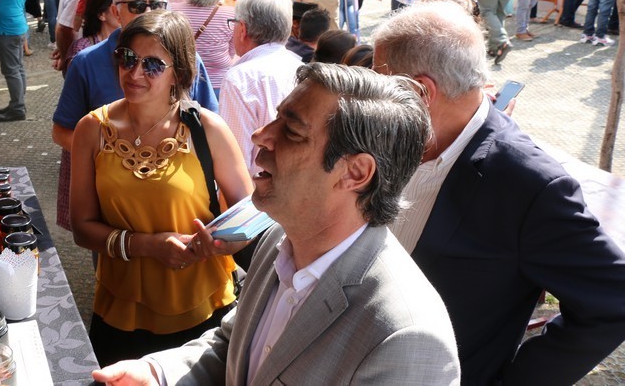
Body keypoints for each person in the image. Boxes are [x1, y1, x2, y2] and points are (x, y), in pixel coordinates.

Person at [93, 64, 460, 386]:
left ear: (355, 173)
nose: (261, 135)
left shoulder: (407, 337)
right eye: (276, 118)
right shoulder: (276, 241)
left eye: (293, 131)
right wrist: (157, 373)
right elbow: (233, 345)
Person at [373, 2, 625, 384]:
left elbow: (613, 300)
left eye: (379, 83)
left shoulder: (529, 183)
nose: (371, 100)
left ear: (421, 91)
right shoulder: (398, 139)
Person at [72, 10, 253, 365]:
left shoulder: (207, 129)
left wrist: (217, 243)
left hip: (204, 308)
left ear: (179, 74)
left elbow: (249, 214)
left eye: (152, 65)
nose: (134, 73)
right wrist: (149, 246)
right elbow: (82, 228)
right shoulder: (91, 130)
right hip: (120, 310)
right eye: (127, 58)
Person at [52, 0, 219, 231]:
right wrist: (114, 160)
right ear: (115, 11)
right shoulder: (86, 63)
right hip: (112, 202)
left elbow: (209, 127)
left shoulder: (187, 59)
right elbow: (62, 131)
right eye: (137, 5)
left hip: (179, 201)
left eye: (157, 5)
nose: (147, 12)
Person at [218, 0, 302, 170]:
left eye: (234, 24)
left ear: (242, 29)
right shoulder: (301, 69)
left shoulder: (239, 78)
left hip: (257, 184)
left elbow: (236, 158)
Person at [173, 0, 236, 96]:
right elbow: (232, 52)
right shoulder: (231, 15)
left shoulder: (172, 10)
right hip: (219, 85)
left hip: (183, 85)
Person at [67, 0, 119, 69]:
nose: (123, 11)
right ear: (101, 14)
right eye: (116, 7)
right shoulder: (82, 49)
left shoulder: (131, 42)